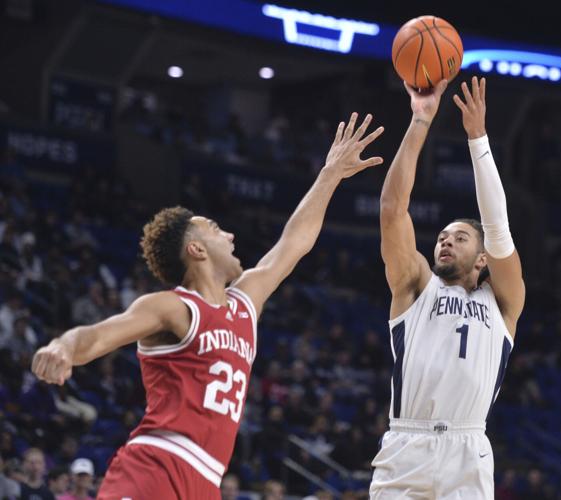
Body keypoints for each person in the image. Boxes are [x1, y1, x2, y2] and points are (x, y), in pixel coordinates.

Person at [31, 113, 384, 500]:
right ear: (196, 249)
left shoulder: (245, 302)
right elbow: (98, 336)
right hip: (157, 467)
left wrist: (330, 174)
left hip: (206, 482)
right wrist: (62, 347)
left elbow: (293, 243)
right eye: (217, 229)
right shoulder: (173, 308)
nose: (230, 235)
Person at [371, 76, 525, 498]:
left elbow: (498, 229)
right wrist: (421, 120)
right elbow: (391, 209)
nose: (444, 240)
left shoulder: (504, 302)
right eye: (441, 235)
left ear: (482, 258)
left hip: (469, 449)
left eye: (459, 237)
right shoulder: (415, 286)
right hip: (407, 443)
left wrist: (478, 139)